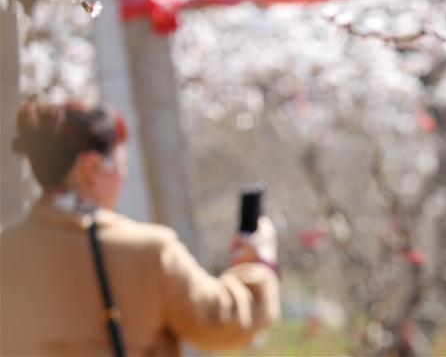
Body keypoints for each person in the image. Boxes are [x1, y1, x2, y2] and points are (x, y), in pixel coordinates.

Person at [0, 97, 281, 356]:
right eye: (122, 164)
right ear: (93, 167)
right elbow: (222, 322)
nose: (123, 177)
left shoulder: (7, 248)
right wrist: (260, 265)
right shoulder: (148, 252)